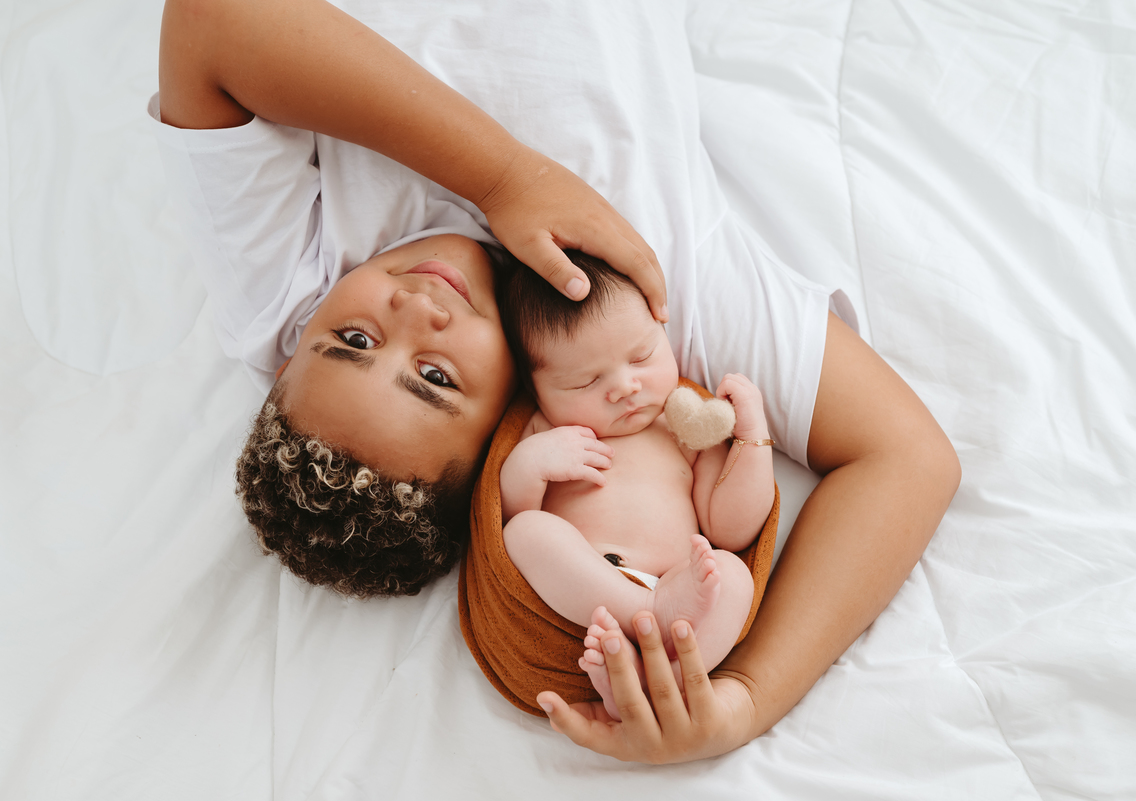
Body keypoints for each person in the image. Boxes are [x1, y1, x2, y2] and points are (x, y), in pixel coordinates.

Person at [156, 0, 960, 764]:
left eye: (353, 339)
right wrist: (746, 697)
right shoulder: (637, 318)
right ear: (507, 430)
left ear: (294, 351)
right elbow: (907, 460)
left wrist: (505, 178)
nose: (414, 307)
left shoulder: (287, 299)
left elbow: (212, 21)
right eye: (434, 378)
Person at [498, 252, 773, 720]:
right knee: (525, 532)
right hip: (588, 589)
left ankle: (666, 678)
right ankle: (646, 613)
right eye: (583, 381)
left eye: (642, 356)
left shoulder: (682, 424)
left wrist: (752, 437)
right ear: (536, 391)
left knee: (733, 574)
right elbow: (509, 513)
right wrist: (529, 465)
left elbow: (732, 529)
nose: (625, 386)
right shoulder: (545, 431)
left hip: (683, 584)